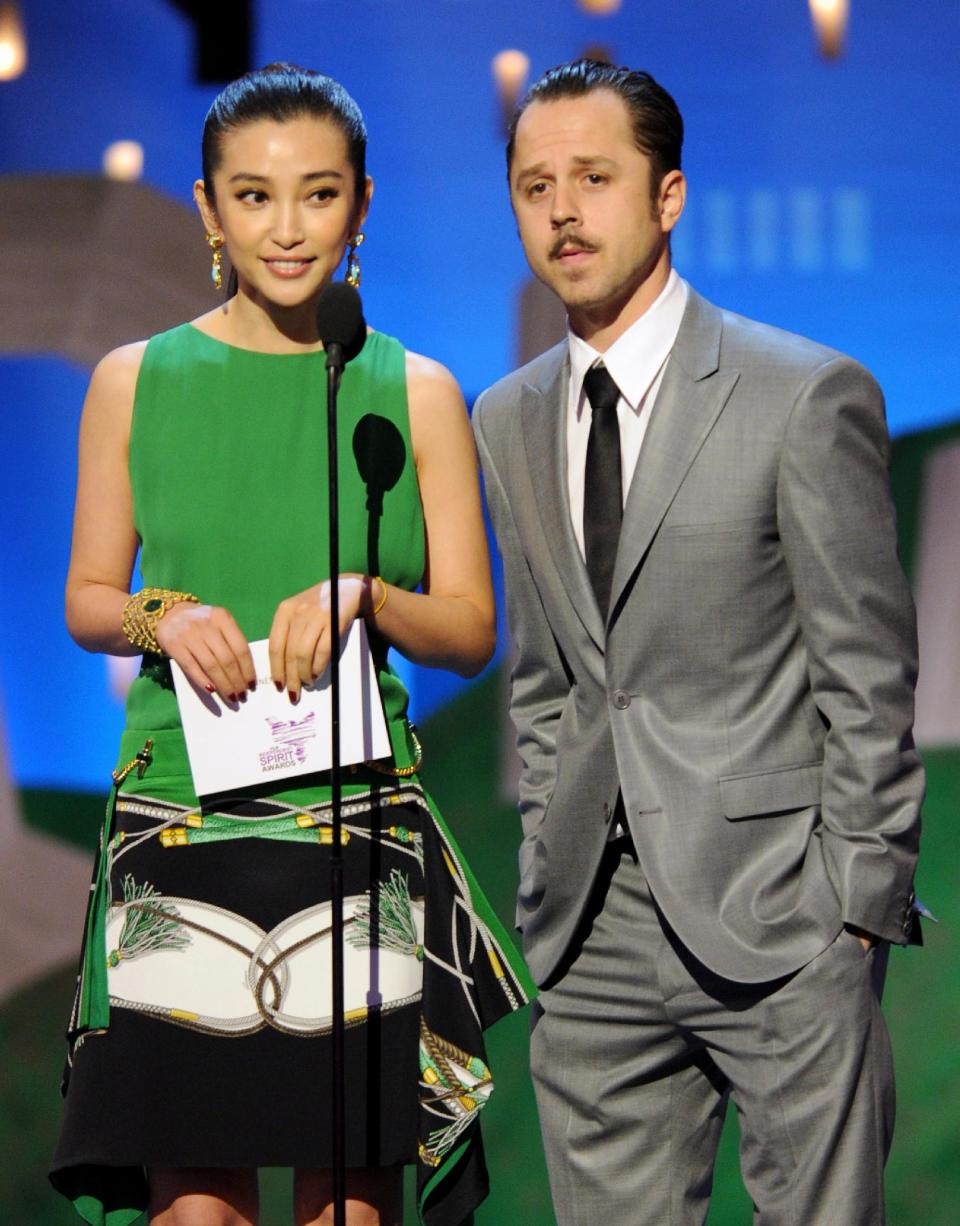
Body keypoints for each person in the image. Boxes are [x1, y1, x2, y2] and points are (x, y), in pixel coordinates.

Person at [51, 63, 531, 1226]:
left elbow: (471, 628)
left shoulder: (414, 389)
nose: (287, 226)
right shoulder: (133, 379)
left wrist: (369, 591)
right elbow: (85, 597)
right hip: (184, 824)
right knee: (196, 1205)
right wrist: (162, 613)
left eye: (317, 195)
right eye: (253, 196)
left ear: (362, 204)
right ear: (210, 210)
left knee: (348, 1200)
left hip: (352, 828)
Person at [472, 59, 923, 1225]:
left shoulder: (801, 391)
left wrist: (857, 905)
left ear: (668, 196)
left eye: (593, 177)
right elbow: (545, 675)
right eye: (534, 185)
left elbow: (866, 672)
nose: (562, 210)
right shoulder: (508, 414)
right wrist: (544, 877)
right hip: (593, 932)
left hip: (784, 918)